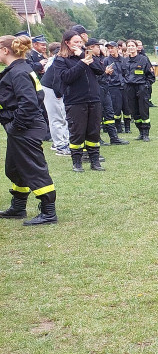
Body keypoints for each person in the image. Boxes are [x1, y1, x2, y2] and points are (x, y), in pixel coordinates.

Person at [0, 34, 57, 224]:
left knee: (34, 169)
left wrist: (16, 126)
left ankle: (49, 212)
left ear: (5, 50)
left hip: (25, 128)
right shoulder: (20, 68)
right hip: (21, 128)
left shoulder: (18, 72)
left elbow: (29, 103)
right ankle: (18, 207)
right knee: (14, 168)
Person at [52, 30, 105, 172]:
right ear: (67, 43)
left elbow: (100, 70)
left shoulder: (86, 55)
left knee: (94, 131)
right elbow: (66, 78)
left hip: (94, 99)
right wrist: (81, 63)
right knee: (77, 132)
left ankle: (95, 161)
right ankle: (77, 162)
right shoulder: (60, 59)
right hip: (75, 101)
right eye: (75, 42)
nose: (79, 44)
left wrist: (83, 56)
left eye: (80, 42)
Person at [39, 42, 71, 156]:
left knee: (62, 116)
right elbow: (56, 78)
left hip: (55, 87)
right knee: (57, 117)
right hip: (51, 87)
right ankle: (60, 146)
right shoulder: (60, 58)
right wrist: (58, 93)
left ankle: (63, 142)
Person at [123, 40, 155, 141]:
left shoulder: (143, 59)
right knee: (134, 111)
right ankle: (140, 132)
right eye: (129, 46)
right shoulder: (125, 60)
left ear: (137, 47)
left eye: (132, 46)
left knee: (143, 110)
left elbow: (151, 76)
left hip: (141, 87)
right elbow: (123, 74)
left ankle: (146, 133)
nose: (131, 48)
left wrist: (146, 86)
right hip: (129, 88)